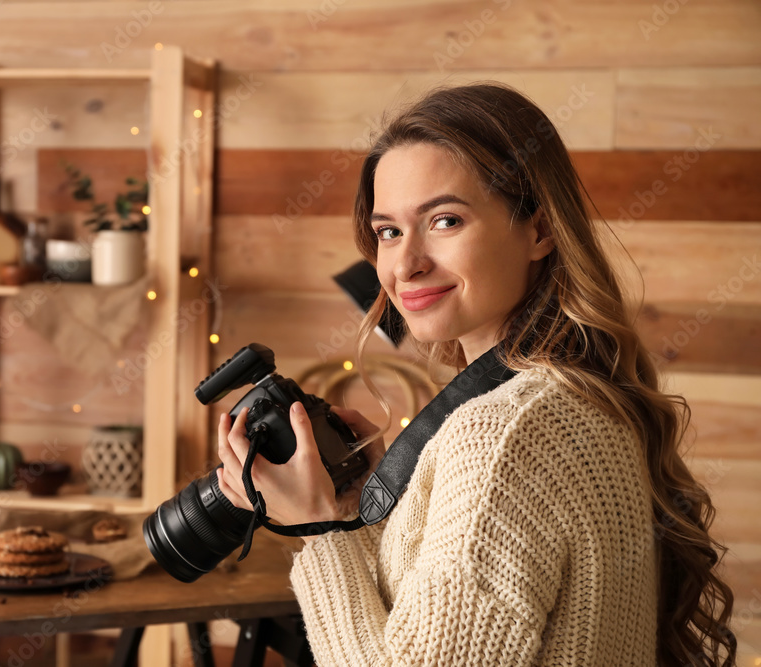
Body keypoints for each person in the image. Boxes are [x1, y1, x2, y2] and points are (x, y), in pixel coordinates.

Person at [215, 82, 736, 666]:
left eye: (444, 221)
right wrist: (353, 512)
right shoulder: (572, 397)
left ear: (539, 230)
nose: (405, 264)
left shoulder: (505, 433)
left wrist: (315, 531)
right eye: (388, 231)